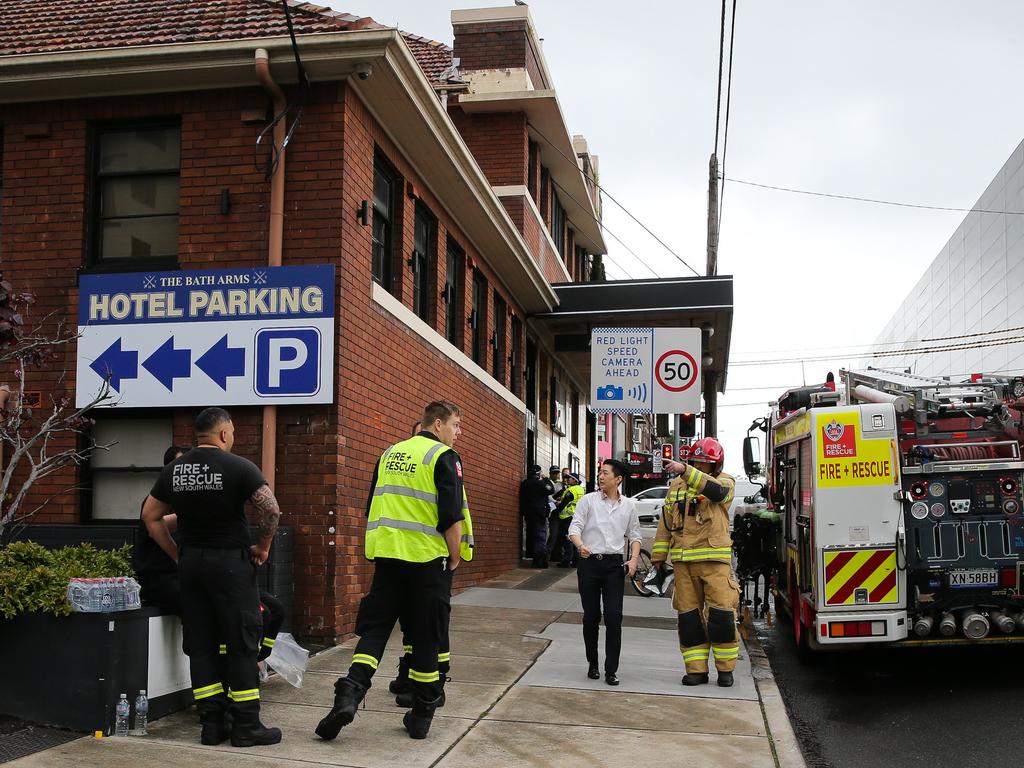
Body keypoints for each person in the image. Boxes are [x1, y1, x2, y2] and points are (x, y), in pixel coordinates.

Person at [316, 400, 470, 742]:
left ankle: (349, 694)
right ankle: (421, 714)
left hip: (388, 558)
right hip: (428, 560)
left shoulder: (390, 454)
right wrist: (455, 555)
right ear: (440, 423)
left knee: (375, 631)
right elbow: (451, 515)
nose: (459, 433)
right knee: (428, 635)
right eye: (457, 425)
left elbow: (374, 502)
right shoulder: (444, 457)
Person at [142, 407, 283, 748]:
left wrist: (178, 554)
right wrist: (263, 546)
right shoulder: (238, 467)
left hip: (192, 567)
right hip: (230, 567)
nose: (232, 438)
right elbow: (271, 510)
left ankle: (211, 723)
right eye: (232, 433)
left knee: (201, 646)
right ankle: (246, 725)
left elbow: (150, 515)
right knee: (240, 642)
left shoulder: (174, 470)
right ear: (223, 434)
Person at [135, 446, 285, 669]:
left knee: (274, 608)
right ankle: (233, 671)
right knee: (233, 618)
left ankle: (257, 658)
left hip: (206, 572)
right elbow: (154, 522)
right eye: (183, 466)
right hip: (168, 579)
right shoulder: (158, 501)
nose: (191, 472)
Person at [653, 437, 738, 688]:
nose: (700, 466)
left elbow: (717, 493)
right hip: (683, 563)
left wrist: (687, 471)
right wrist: (658, 558)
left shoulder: (724, 481)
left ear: (716, 464)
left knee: (721, 617)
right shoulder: (676, 486)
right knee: (689, 620)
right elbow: (665, 524)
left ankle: (725, 670)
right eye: (696, 462)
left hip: (714, 562)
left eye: (705, 463)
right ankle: (696, 671)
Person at [567, 459, 641, 686]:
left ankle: (611, 670)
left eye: (605, 473)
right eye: (600, 472)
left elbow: (635, 536)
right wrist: (581, 546)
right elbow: (574, 528)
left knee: (613, 617)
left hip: (614, 568)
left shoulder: (629, 505)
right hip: (589, 564)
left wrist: (634, 560)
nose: (600, 476)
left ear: (618, 479)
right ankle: (593, 664)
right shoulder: (587, 501)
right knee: (591, 617)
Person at [520, 464, 554, 567]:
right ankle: (540, 560)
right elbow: (551, 489)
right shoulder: (540, 484)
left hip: (529, 514)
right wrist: (546, 479)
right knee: (541, 536)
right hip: (540, 514)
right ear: (538, 473)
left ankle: (534, 558)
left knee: (532, 535)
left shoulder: (525, 484)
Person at [553, 473, 584, 567]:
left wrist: (555, 512)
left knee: (567, 540)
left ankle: (566, 560)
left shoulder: (571, 490)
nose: (567, 479)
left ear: (575, 480)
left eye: (569, 478)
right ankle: (576, 561)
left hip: (567, 518)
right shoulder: (581, 489)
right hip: (576, 517)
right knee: (574, 539)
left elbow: (564, 504)